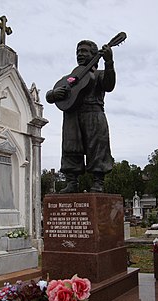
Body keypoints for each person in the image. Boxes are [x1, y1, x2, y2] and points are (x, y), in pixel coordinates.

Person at [46, 39, 116, 193]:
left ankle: (98, 182)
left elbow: (109, 85)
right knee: (70, 148)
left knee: (97, 147)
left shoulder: (98, 75)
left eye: (84, 51)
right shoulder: (70, 78)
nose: (80, 54)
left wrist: (109, 62)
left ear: (93, 55)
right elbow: (51, 96)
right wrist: (52, 94)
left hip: (93, 113)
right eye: (78, 51)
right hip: (72, 115)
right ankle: (72, 182)